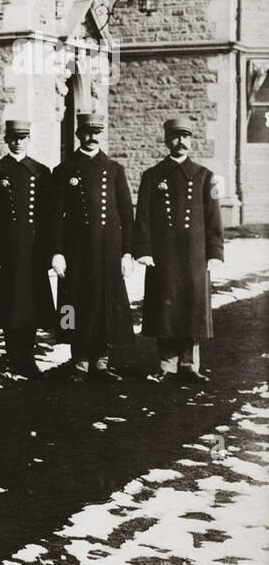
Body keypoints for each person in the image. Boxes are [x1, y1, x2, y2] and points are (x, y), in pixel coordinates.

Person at [133, 117, 224, 383]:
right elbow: (144, 217)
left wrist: (215, 252)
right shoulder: (152, 176)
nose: (181, 142)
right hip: (164, 256)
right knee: (166, 309)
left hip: (195, 255)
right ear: (166, 140)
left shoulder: (204, 176)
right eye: (175, 136)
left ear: (191, 140)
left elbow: (213, 218)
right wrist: (144, 249)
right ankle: (166, 365)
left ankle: (189, 364)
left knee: (193, 308)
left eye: (186, 136)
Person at [49, 112, 134, 382]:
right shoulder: (63, 170)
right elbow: (54, 217)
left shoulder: (114, 170)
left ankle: (101, 362)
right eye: (87, 132)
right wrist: (57, 252)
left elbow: (125, 215)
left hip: (108, 250)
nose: (92, 137)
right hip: (76, 252)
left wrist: (127, 252)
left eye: (97, 132)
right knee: (75, 304)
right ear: (78, 135)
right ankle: (79, 363)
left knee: (105, 304)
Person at [0, 120, 56, 377]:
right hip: (7, 249)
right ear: (6, 140)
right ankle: (12, 356)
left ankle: (28, 357)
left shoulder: (40, 171)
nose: (18, 142)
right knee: (9, 304)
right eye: (14, 138)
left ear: (29, 139)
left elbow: (48, 214)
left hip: (32, 249)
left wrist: (49, 250)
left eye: (23, 137)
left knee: (30, 305)